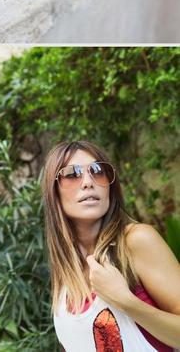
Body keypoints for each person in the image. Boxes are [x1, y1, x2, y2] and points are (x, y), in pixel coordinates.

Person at [42, 140, 180, 351]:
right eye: (72, 174)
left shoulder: (136, 241)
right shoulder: (66, 271)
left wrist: (127, 302)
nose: (88, 182)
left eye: (98, 171)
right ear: (54, 193)